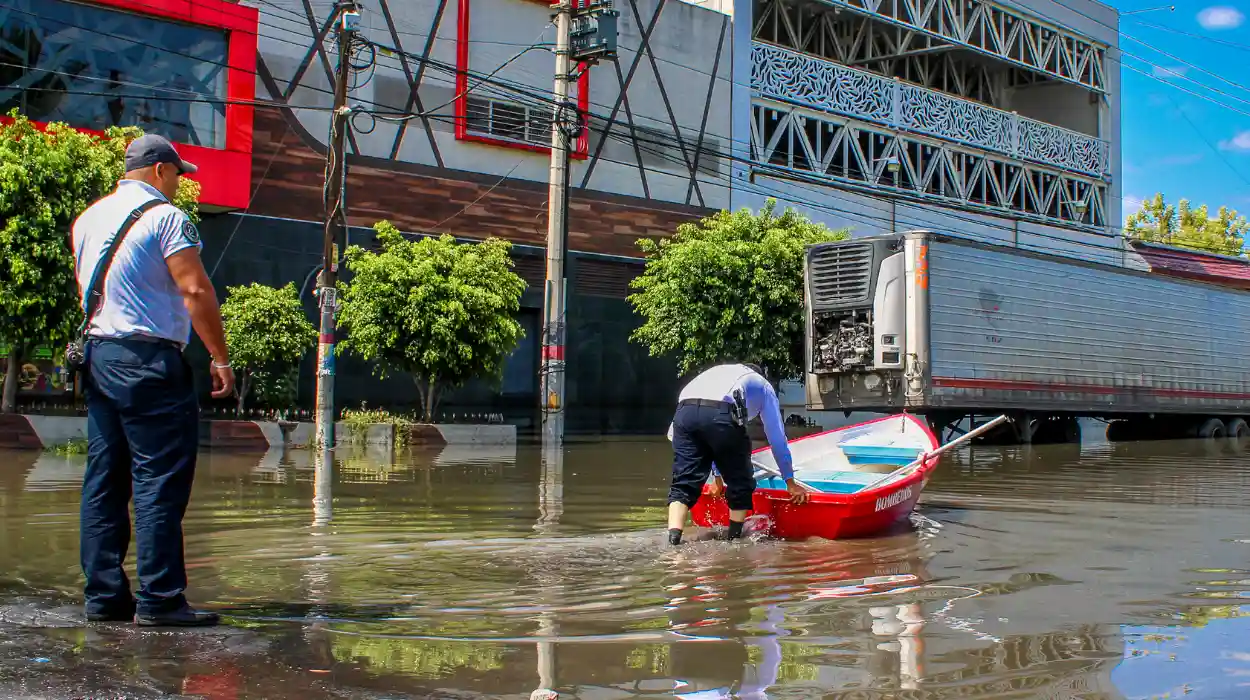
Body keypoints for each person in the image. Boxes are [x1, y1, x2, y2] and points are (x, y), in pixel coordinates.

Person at [71, 134, 235, 626]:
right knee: (158, 479)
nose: (181, 185)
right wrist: (220, 358)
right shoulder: (166, 217)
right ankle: (161, 600)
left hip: (100, 356)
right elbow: (194, 287)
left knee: (104, 478)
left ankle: (104, 598)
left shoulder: (89, 218)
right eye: (179, 175)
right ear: (162, 170)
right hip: (149, 362)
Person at [665, 362, 807, 546]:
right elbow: (777, 438)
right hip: (720, 413)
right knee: (740, 481)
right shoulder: (763, 385)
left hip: (684, 413)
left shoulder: (720, 373)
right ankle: (734, 542)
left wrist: (717, 477)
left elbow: (709, 437)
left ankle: (673, 541)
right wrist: (790, 482)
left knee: (683, 483)